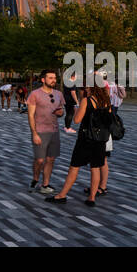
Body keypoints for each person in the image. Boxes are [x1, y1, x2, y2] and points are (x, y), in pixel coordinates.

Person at [47, 78, 113, 206]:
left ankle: (62, 195)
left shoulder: (87, 101)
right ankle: (92, 198)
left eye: (86, 87)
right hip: (100, 140)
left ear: (92, 87)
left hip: (85, 139)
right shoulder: (106, 101)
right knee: (95, 168)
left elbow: (76, 120)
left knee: (74, 167)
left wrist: (78, 108)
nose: (84, 89)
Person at [26, 70, 64, 194]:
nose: (53, 80)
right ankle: (35, 179)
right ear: (43, 79)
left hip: (54, 131)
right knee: (40, 160)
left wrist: (60, 113)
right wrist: (34, 133)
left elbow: (61, 111)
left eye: (55, 78)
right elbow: (31, 115)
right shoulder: (34, 94)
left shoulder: (59, 94)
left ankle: (45, 184)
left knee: (51, 159)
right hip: (40, 131)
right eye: (50, 78)